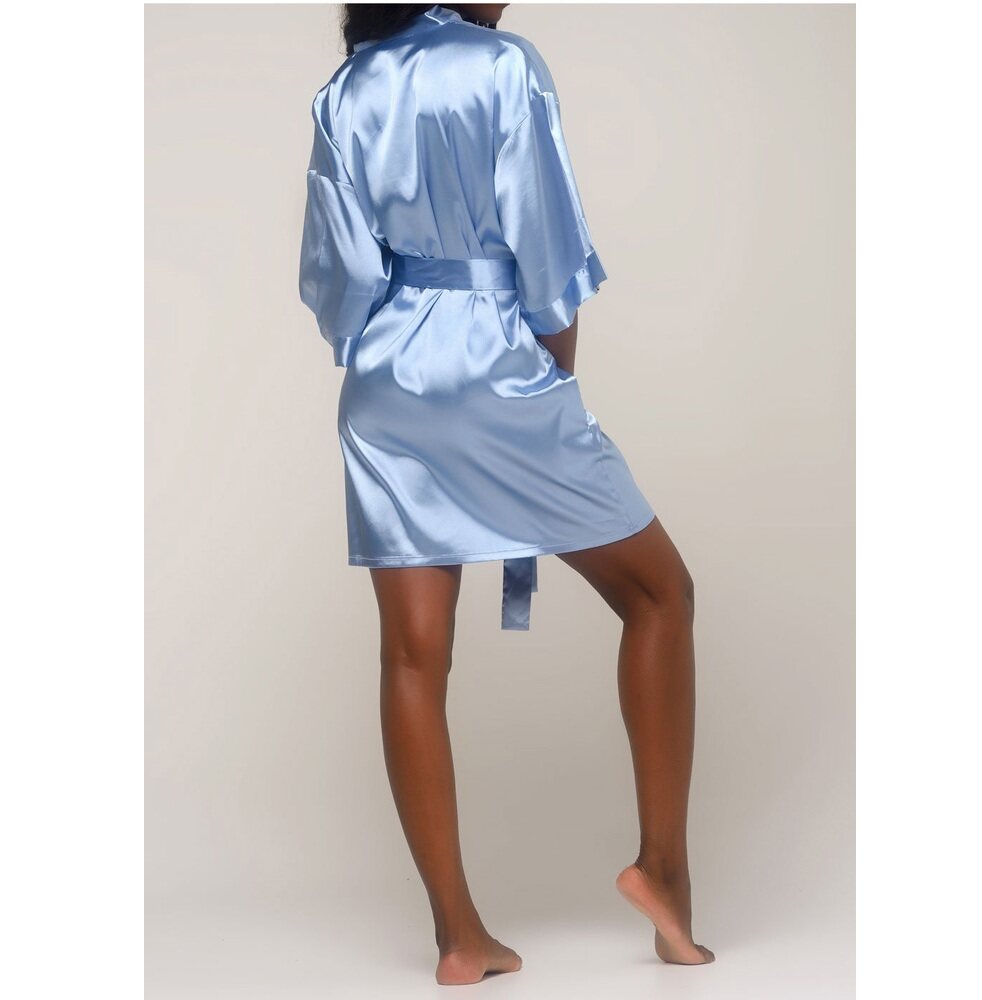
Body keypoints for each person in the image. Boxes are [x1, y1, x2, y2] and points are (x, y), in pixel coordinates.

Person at [298, 3, 714, 984]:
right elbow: (547, 250)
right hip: (495, 360)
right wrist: (548, 383)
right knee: (660, 594)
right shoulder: (503, 66)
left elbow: (336, 281)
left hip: (386, 384)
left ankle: (457, 935)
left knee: (412, 654)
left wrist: (392, 354)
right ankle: (664, 874)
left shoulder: (345, 89)